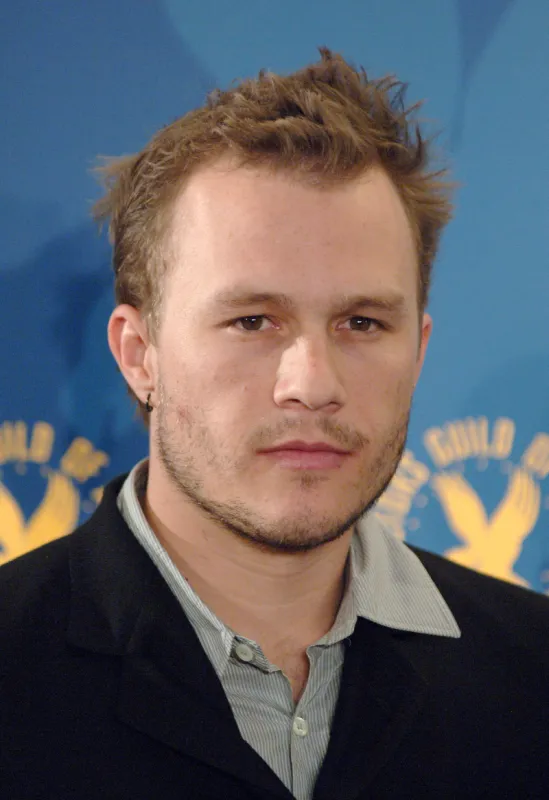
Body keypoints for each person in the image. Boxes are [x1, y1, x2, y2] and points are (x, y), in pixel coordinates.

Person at [1, 48, 548, 800]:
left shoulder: (532, 672)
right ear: (139, 355)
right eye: (252, 320)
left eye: (360, 322)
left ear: (417, 351)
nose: (312, 385)